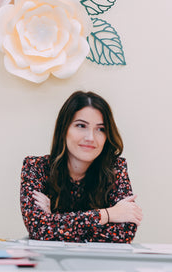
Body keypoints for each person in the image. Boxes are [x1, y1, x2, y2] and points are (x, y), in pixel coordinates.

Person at [20, 91, 143, 243]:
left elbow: (123, 234)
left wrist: (54, 221)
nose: (90, 138)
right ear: (63, 129)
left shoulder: (115, 169)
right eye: (81, 126)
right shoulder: (36, 167)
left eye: (100, 129)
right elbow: (39, 229)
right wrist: (108, 214)